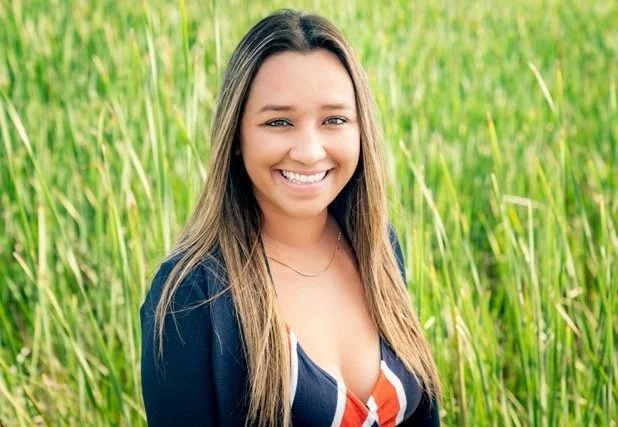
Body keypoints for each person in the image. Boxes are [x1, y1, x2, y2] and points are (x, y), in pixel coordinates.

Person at [140, 8, 441, 427]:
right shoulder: (191, 296)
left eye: (334, 120)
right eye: (279, 122)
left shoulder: (378, 246)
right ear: (236, 136)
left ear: (361, 130)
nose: (309, 151)